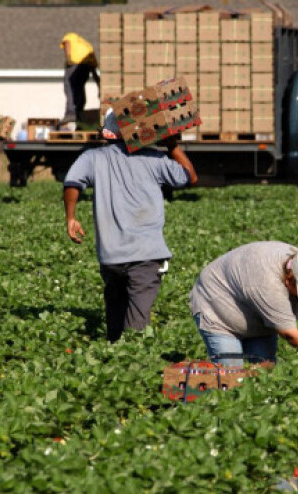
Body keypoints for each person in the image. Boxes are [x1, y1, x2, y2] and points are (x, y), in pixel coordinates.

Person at [62, 109, 197, 342]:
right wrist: (172, 145)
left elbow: (72, 183)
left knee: (115, 316)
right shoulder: (154, 158)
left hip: (111, 255)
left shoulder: (92, 157)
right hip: (146, 255)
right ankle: (130, 363)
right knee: (136, 327)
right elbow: (190, 177)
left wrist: (71, 218)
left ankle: (113, 352)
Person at [189, 242, 298, 367]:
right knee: (230, 375)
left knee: (264, 369)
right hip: (218, 309)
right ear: (288, 280)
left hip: (258, 316)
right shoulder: (267, 283)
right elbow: (289, 334)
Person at [59, 32, 99, 127]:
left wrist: (69, 59)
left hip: (75, 64)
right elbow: (93, 67)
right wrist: (98, 83)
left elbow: (67, 43)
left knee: (69, 86)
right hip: (86, 67)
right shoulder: (87, 45)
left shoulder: (71, 36)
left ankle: (71, 113)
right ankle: (79, 113)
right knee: (79, 87)